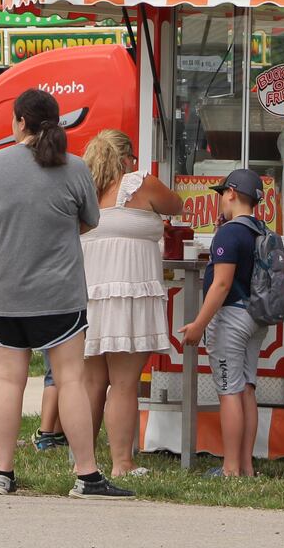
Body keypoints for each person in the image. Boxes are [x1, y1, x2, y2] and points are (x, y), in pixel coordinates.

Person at [0, 88, 132, 499]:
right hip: (59, 294)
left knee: (8, 379)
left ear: (21, 122)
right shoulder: (76, 167)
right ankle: (86, 476)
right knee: (70, 379)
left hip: (6, 293)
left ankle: (2, 474)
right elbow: (89, 221)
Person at [80, 130, 182, 478]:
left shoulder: (85, 190)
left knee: (92, 383)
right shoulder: (139, 183)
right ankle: (122, 463)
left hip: (90, 296)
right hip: (129, 295)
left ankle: (84, 462)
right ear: (126, 158)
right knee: (124, 384)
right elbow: (178, 205)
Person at [178, 168, 267, 478]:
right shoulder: (260, 229)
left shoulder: (230, 233)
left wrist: (199, 324)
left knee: (229, 390)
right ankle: (245, 466)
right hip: (256, 318)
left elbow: (221, 284)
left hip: (231, 318)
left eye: (221, 195)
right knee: (246, 390)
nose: (219, 201)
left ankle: (230, 469)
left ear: (231, 193)